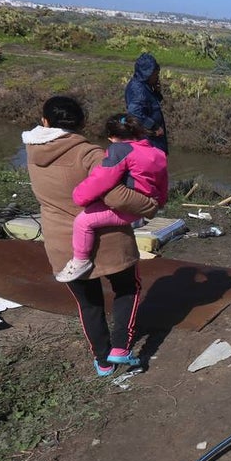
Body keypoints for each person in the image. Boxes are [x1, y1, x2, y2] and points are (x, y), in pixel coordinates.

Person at [23, 96, 159, 377]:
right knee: (127, 289)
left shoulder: (32, 152)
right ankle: (120, 348)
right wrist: (150, 205)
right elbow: (116, 195)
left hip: (62, 243)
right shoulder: (90, 154)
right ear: (82, 123)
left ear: (45, 122)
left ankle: (103, 361)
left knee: (88, 303)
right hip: (107, 240)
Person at [55, 114, 169, 283]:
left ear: (112, 137)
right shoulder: (157, 152)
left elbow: (102, 179)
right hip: (143, 205)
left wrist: (79, 196)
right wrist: (159, 203)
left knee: (83, 222)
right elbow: (163, 183)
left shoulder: (119, 150)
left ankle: (80, 261)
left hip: (127, 207)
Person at [125, 52, 168, 153]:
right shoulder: (138, 89)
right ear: (147, 74)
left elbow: (151, 103)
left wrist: (156, 92)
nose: (157, 77)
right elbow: (134, 112)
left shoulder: (145, 86)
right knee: (152, 165)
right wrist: (154, 127)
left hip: (153, 138)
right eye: (155, 74)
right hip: (148, 139)